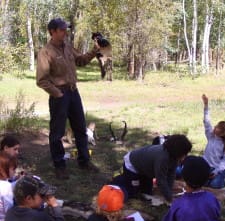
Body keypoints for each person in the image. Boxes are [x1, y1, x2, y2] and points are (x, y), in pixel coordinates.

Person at [36, 18, 104, 179]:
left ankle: (84, 161)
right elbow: (41, 80)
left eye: (66, 29)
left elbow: (81, 60)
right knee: (57, 132)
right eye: (62, 29)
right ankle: (59, 165)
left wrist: (94, 51)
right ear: (52, 31)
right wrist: (57, 93)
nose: (65, 32)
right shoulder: (45, 52)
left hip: (74, 93)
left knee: (80, 128)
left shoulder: (68, 47)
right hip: (59, 95)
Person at [112, 134, 192, 203]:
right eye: (184, 154)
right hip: (132, 166)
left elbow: (171, 174)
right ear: (176, 152)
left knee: (147, 192)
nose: (185, 156)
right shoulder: (163, 158)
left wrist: (169, 190)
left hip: (146, 170)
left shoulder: (175, 157)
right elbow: (161, 180)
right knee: (133, 193)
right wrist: (170, 198)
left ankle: (134, 180)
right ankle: (119, 180)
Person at [161, 155, 221, 221]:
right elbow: (216, 217)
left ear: (183, 178)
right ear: (206, 179)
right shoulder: (212, 198)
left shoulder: (178, 205)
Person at [201, 94, 225, 188]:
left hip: (216, 168)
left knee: (214, 185)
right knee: (201, 182)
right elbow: (207, 122)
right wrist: (206, 106)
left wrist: (216, 171)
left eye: (218, 128)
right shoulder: (211, 136)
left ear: (224, 133)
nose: (215, 128)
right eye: (216, 126)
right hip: (205, 165)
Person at [0, 152, 17, 221]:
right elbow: (9, 209)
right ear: (2, 171)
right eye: (13, 169)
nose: (15, 171)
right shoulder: (6, 187)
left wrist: (16, 182)